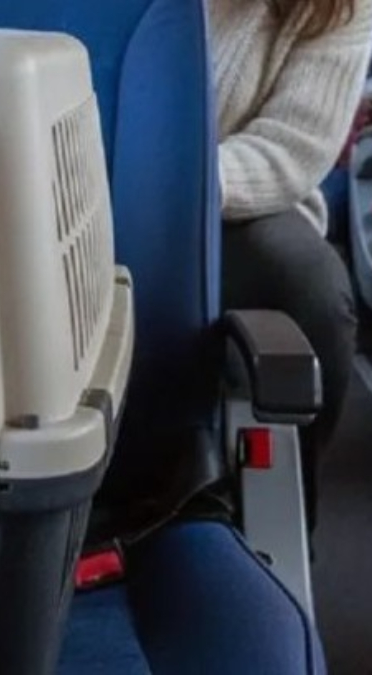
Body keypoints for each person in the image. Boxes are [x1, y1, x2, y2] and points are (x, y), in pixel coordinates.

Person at [209, 0, 372, 533]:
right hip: (58, 182)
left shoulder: (338, 12)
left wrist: (154, 172)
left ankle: (286, 525)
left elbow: (287, 152)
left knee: (309, 287)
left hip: (225, 205)